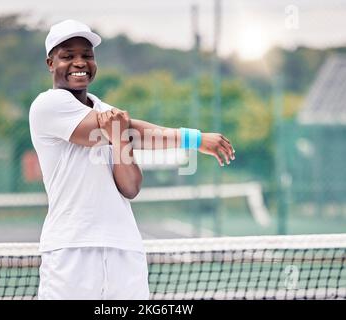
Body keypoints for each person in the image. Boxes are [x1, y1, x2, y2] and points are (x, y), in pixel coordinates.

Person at [29, 19, 235, 300]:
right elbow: (124, 131)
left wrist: (120, 136)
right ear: (50, 63)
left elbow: (130, 187)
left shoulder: (110, 113)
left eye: (87, 56)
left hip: (124, 248)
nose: (80, 62)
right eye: (68, 56)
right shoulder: (47, 105)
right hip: (71, 249)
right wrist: (194, 139)